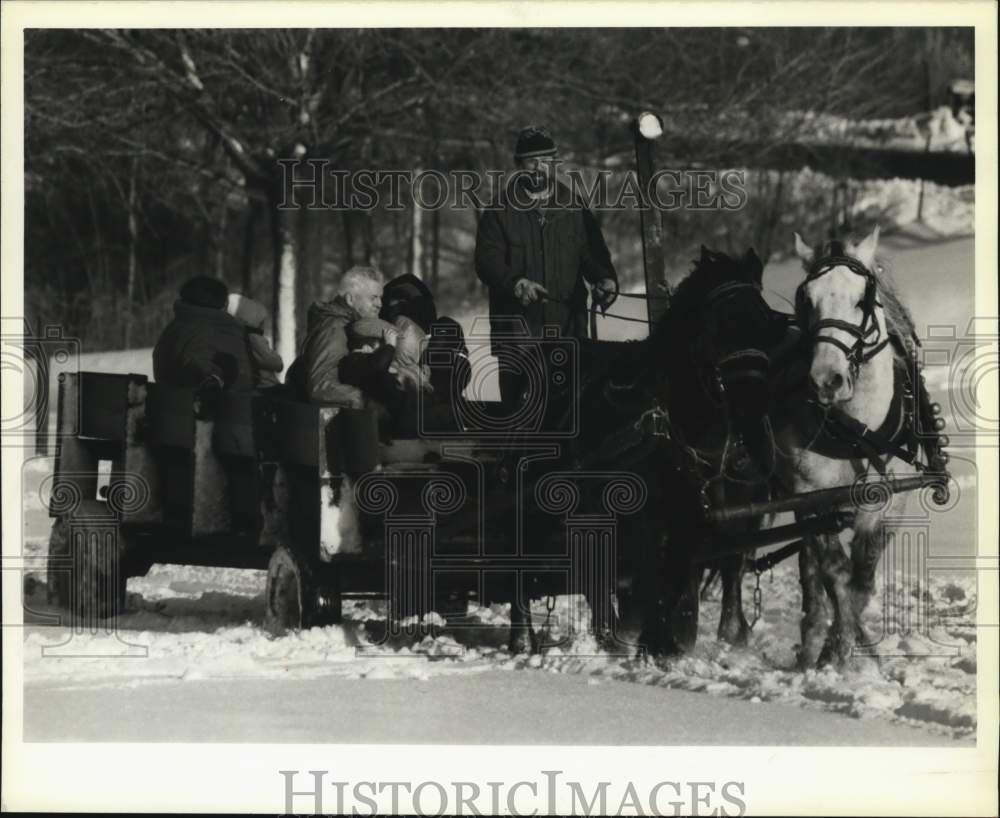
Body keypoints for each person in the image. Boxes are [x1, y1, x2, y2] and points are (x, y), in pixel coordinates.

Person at [474, 125, 618, 408]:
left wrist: (605, 280)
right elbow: (486, 261)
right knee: (520, 417)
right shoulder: (499, 210)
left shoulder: (573, 206)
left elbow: (592, 254)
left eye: (547, 162)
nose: (540, 168)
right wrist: (516, 284)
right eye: (532, 162)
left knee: (571, 412)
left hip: (567, 327)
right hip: (518, 333)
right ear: (518, 165)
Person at [286, 265, 395, 407]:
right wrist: (368, 401)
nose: (379, 304)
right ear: (350, 299)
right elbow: (320, 387)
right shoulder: (335, 328)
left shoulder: (354, 326)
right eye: (373, 298)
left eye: (380, 298)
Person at [153, 275, 254, 394]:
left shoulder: (175, 327)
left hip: (168, 405)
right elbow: (201, 366)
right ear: (222, 303)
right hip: (224, 407)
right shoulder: (226, 330)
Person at [226, 293, 283, 389]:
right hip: (265, 386)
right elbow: (275, 363)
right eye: (261, 322)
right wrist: (278, 360)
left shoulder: (233, 336)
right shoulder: (254, 339)